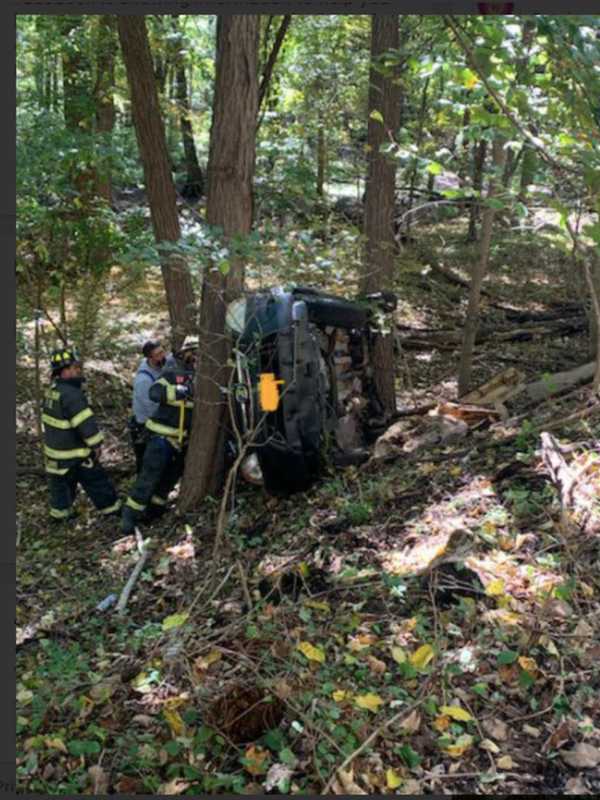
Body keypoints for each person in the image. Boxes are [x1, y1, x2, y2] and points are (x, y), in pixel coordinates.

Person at [121, 336, 198, 535]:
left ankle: (154, 512)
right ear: (185, 354)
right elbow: (155, 392)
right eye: (193, 352)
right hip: (161, 439)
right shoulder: (173, 372)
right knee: (148, 478)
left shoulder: (201, 378)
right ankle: (129, 518)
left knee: (168, 480)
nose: (196, 357)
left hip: (181, 442)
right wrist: (178, 391)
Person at [42, 347, 121, 522]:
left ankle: (60, 517)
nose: (77, 370)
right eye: (73, 367)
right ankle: (113, 512)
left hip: (54, 454)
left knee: (61, 488)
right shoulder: (72, 395)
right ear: (64, 371)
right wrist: (96, 444)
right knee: (97, 482)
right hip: (75, 453)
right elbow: (85, 424)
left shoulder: (52, 391)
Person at [129, 340, 167, 473]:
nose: (163, 356)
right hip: (144, 428)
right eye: (158, 355)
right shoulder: (144, 380)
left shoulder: (160, 366)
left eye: (163, 351)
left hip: (154, 424)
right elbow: (151, 409)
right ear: (150, 358)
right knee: (146, 464)